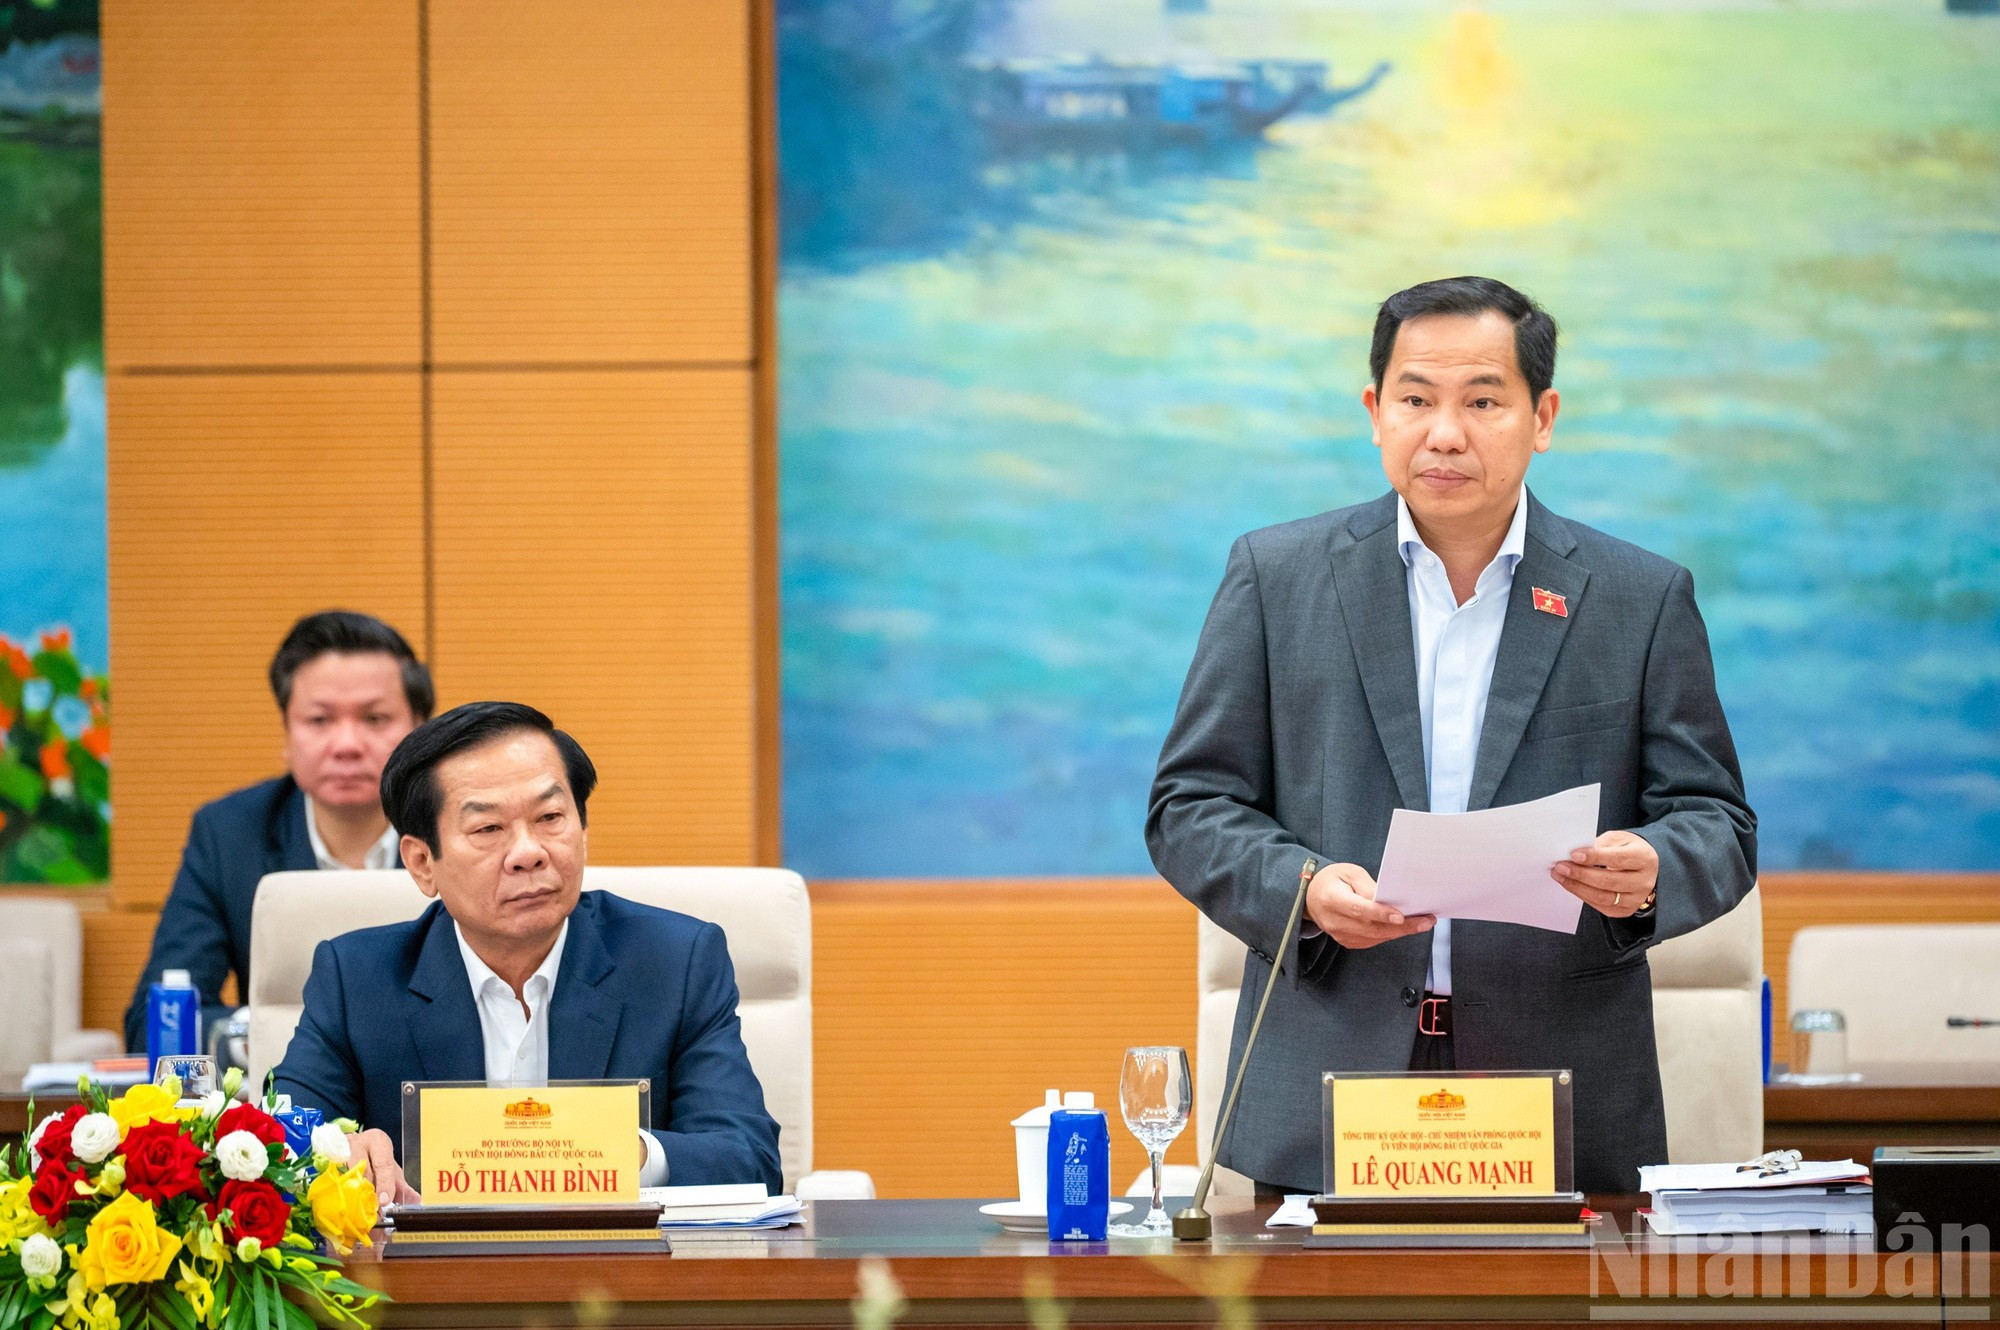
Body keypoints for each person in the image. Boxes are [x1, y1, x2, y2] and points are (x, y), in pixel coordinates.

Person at [1146, 276, 1756, 1195]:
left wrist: (1653, 869)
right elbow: (1189, 805)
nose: (1444, 433)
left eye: (1482, 401)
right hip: (1328, 1080)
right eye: (1416, 400)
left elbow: (1718, 822)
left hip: (1558, 1085)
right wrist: (1304, 888)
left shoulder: (1639, 598)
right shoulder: (1276, 578)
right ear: (1374, 412)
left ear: (1542, 418)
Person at [273, 701, 783, 1202]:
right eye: (488, 829)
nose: (528, 853)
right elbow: (272, 1152)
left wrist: (623, 1153)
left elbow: (750, 1159)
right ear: (423, 862)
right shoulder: (357, 980)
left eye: (550, 817)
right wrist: (339, 1152)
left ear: (582, 830)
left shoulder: (675, 962)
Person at [123, 610, 433, 1053]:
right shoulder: (230, 835)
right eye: (320, 720)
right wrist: (255, 1037)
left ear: (420, 729)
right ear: (287, 732)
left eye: (375, 718)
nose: (347, 745)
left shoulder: (462, 830)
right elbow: (155, 1022)